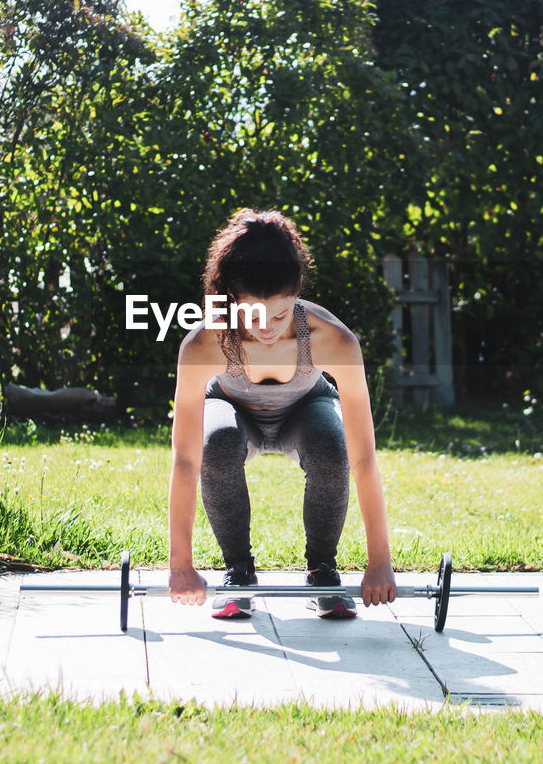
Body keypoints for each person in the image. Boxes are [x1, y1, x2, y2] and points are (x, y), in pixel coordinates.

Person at [167, 208, 397, 620]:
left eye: (280, 312)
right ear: (231, 298)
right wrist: (180, 566)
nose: (268, 327)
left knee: (332, 445)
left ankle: (323, 570)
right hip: (232, 407)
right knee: (215, 443)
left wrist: (380, 560)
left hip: (306, 408)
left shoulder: (334, 340)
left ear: (297, 291)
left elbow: (364, 457)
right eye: (254, 313)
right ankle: (238, 572)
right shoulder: (204, 343)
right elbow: (185, 460)